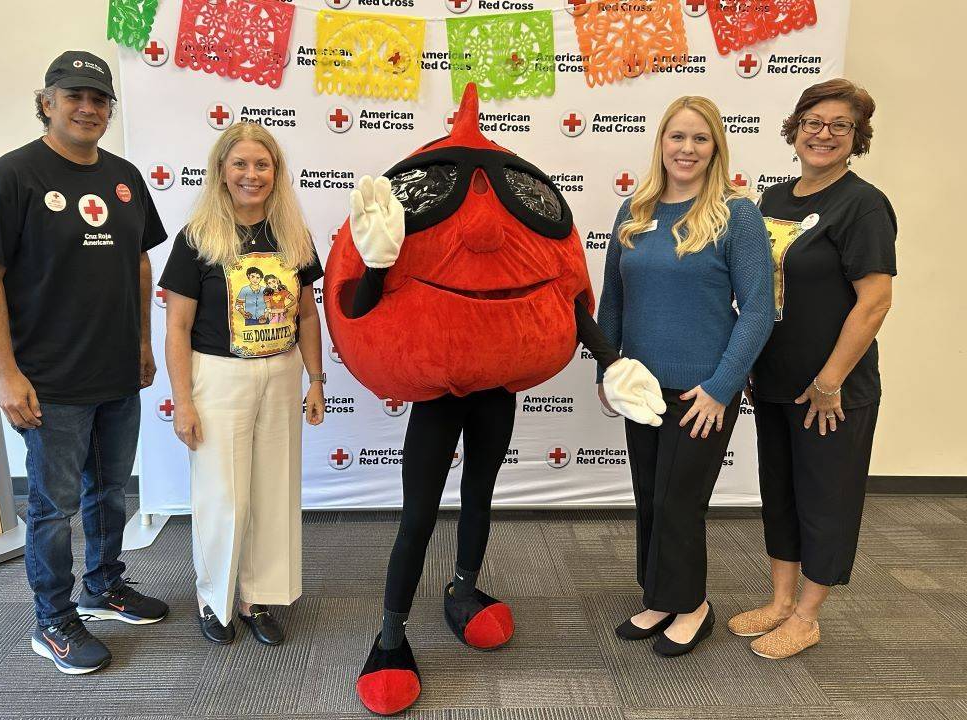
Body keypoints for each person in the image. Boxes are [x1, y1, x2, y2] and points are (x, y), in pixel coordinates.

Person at [324, 83, 664, 716]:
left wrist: (613, 362)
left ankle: (463, 591)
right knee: (418, 514)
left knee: (479, 496)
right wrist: (377, 262)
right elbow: (357, 306)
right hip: (437, 398)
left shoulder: (529, 232)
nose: (481, 226)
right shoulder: (401, 224)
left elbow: (564, 295)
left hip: (494, 395)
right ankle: (390, 633)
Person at [0, 51, 169, 674]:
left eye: (99, 98)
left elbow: (139, 262)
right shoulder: (11, 175)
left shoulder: (125, 176)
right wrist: (4, 371)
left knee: (111, 492)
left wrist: (143, 342)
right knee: (53, 506)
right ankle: (53, 619)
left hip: (117, 372)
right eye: (74, 95)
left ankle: (103, 586)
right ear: (46, 101)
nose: (88, 107)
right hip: (48, 380)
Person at [597, 95, 774, 657]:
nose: (688, 149)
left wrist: (723, 388)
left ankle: (693, 604)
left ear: (716, 147)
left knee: (680, 501)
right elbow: (613, 303)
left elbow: (760, 310)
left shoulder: (736, 214)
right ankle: (659, 596)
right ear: (662, 144)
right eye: (678, 137)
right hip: (640, 388)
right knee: (650, 494)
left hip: (703, 389)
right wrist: (609, 371)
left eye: (700, 139)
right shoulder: (636, 210)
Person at [728, 79, 896, 659]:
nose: (823, 134)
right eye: (813, 121)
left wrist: (830, 382)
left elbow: (873, 301)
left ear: (857, 137)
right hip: (774, 380)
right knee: (781, 494)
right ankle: (778, 600)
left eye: (839, 125)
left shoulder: (863, 204)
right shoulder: (772, 200)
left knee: (826, 498)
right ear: (795, 129)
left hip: (832, 390)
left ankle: (808, 613)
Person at [159, 122, 325, 647]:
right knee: (223, 495)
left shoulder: (293, 235)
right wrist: (183, 401)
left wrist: (316, 379)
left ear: (275, 173)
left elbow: (307, 316)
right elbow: (177, 327)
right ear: (221, 172)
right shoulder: (198, 239)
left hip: (281, 373)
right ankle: (215, 599)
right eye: (240, 164)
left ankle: (257, 598)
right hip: (219, 377)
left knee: (272, 491)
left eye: (262, 165)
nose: (251, 175)